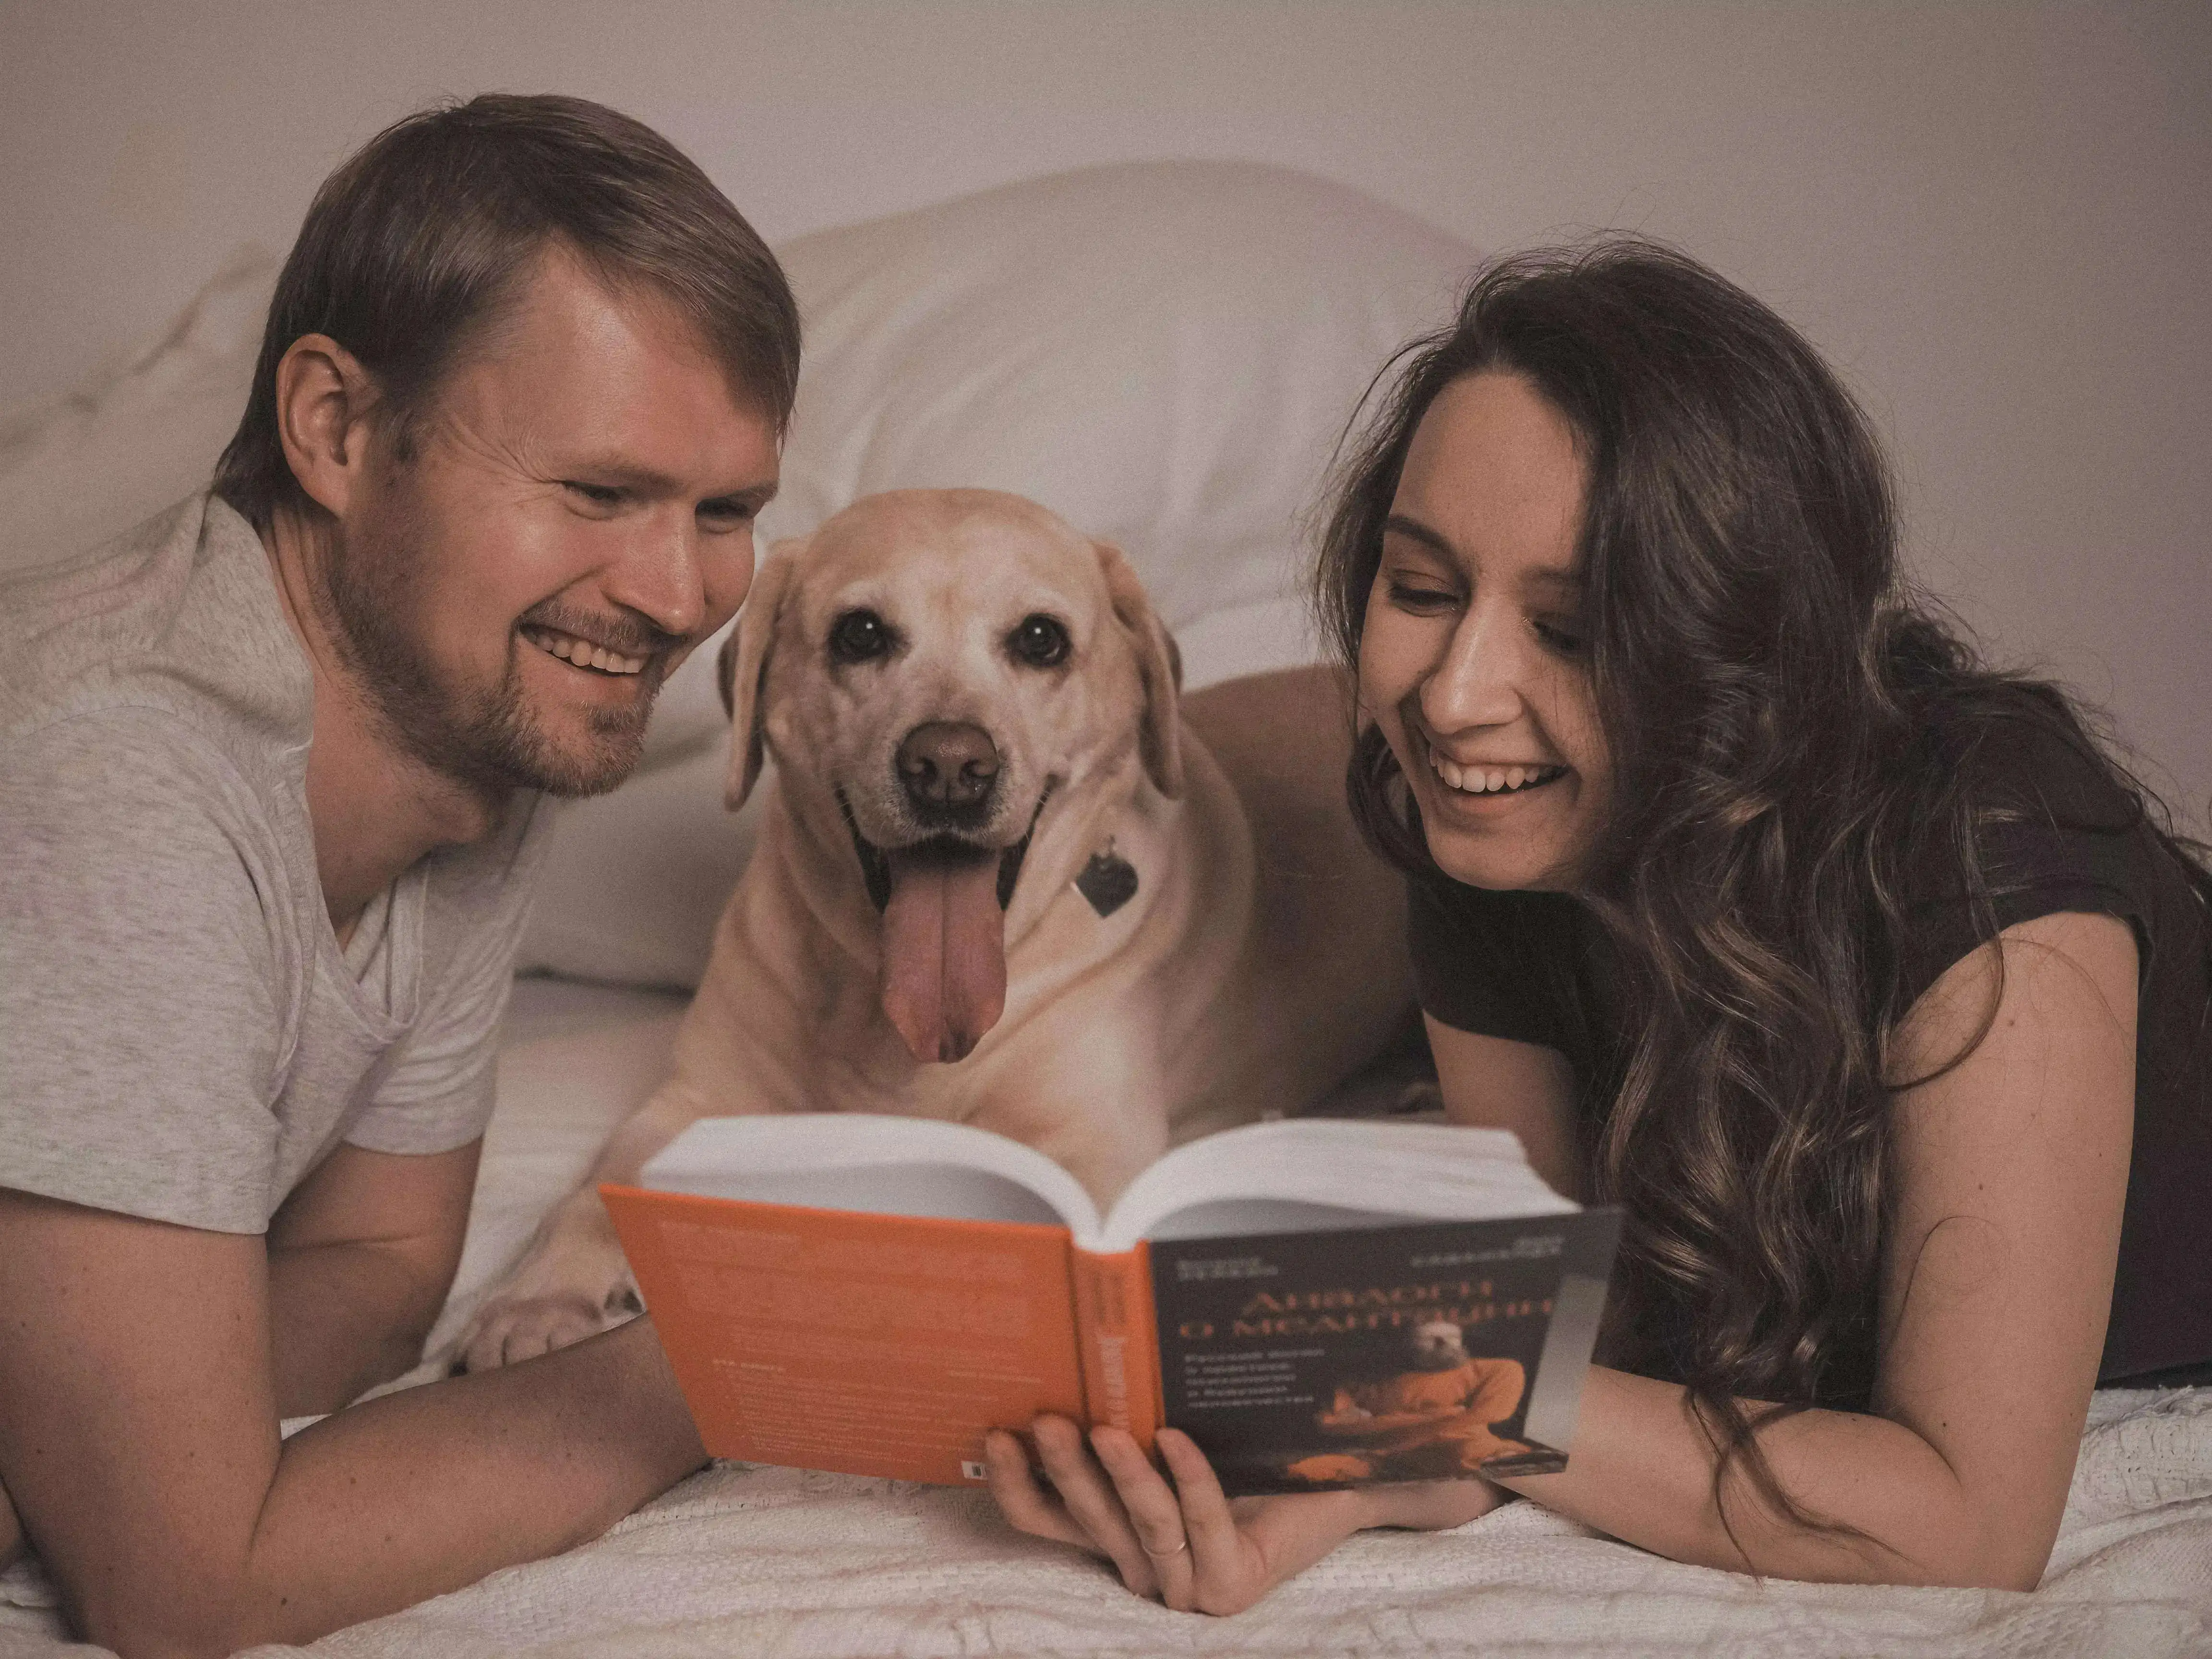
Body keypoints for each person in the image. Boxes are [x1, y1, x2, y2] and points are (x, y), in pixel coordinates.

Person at [986, 238, 2212, 1614]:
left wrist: (1435, 1371)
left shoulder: (1994, 839)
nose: (1454, 699)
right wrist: (1334, 1480)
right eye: (1424, 591)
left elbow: (1963, 1523)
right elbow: (1581, 1345)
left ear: (1737, 653)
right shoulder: (1478, 830)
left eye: (1571, 629)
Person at [0, 94, 797, 1653]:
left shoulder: (471, 722)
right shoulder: (125, 764)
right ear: (339, 431)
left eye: (728, 512)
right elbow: (186, 1583)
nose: (678, 590)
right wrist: (728, 1364)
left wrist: (100, 1423)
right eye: (598, 492)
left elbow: (380, 1261)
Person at [1282, 1321, 1528, 1486]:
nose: (1442, 1344)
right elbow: (1331, 1425)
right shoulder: (1370, 1384)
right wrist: (1447, 1413)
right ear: (1408, 1345)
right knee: (1302, 1471)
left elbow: (1495, 1412)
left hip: (1465, 1448)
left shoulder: (1498, 1369)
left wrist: (1376, 1422)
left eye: (1451, 1337)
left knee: (1494, 1461)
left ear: (1463, 1341)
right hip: (1387, 1457)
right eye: (1428, 1339)